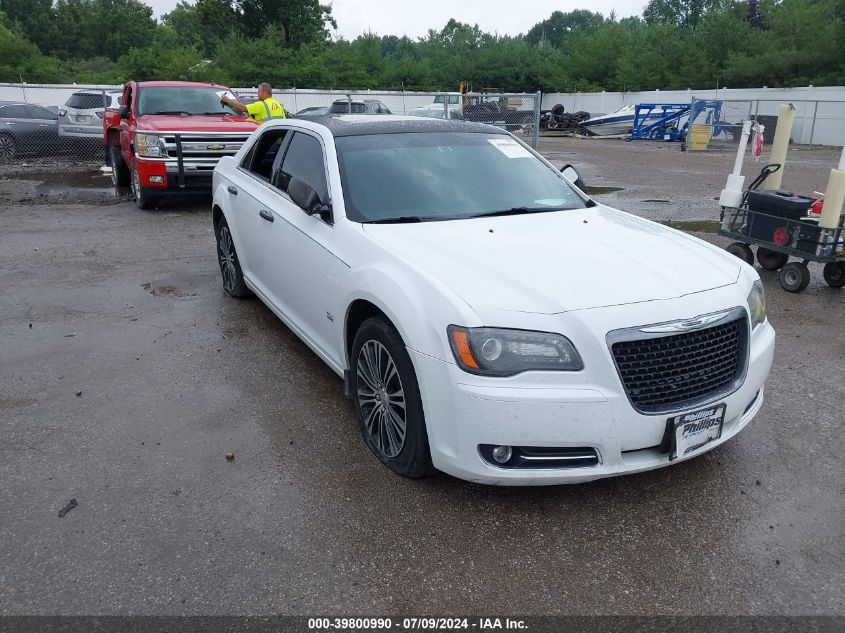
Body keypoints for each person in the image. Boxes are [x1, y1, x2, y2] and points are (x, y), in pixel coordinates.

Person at [221, 83, 286, 123]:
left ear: (265, 92)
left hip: (267, 136)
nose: (257, 93)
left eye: (259, 91)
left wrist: (227, 100)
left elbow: (242, 108)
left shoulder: (262, 104)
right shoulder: (277, 104)